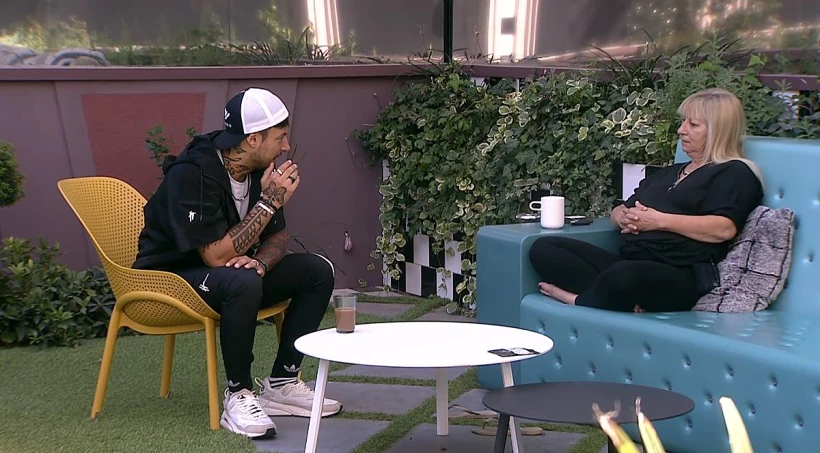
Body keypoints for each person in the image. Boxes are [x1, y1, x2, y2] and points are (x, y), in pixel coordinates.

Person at [133, 87, 342, 439]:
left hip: (224, 278)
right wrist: (269, 202)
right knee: (241, 282)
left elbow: (277, 236)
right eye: (280, 137)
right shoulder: (193, 173)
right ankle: (238, 394)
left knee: (316, 271)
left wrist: (260, 263)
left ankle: (282, 383)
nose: (286, 146)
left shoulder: (256, 168)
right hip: (172, 278)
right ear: (253, 139)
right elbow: (215, 256)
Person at [528, 88, 764, 313]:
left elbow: (723, 228)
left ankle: (579, 300)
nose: (681, 130)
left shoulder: (734, 172)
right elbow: (621, 209)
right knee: (545, 248)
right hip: (632, 260)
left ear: (717, 131)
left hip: (682, 272)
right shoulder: (670, 172)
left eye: (693, 124)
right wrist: (622, 218)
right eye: (683, 122)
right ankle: (619, 299)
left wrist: (658, 221)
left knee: (624, 275)